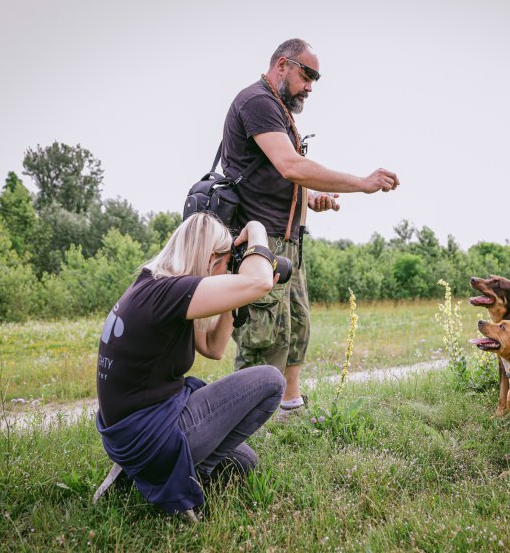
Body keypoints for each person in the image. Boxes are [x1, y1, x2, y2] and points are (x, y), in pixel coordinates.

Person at [220, 38, 400, 419]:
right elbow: (290, 166)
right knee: (262, 331)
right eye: (307, 75)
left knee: (296, 324)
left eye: (315, 79)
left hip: (288, 241)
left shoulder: (281, 111)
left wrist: (311, 199)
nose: (311, 86)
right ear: (282, 65)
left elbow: (284, 178)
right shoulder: (258, 102)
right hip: (258, 240)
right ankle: (243, 421)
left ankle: (289, 406)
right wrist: (361, 182)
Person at [95, 213, 285, 517]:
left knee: (245, 463)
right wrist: (257, 229)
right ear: (211, 258)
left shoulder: (156, 286)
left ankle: (137, 475)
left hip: (131, 432)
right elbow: (260, 280)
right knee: (271, 381)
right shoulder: (171, 292)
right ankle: (185, 477)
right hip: (150, 435)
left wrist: (236, 297)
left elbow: (212, 348)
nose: (227, 272)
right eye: (226, 263)